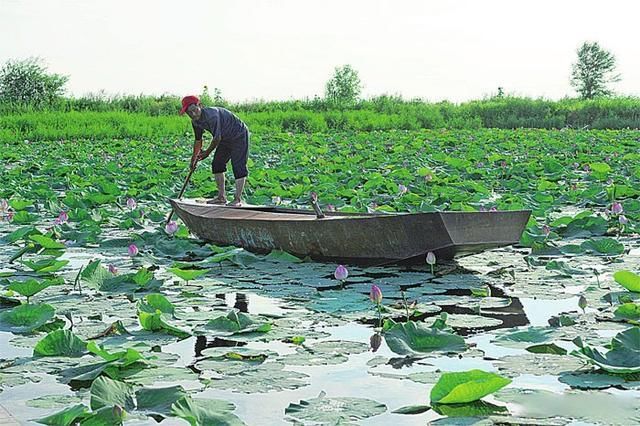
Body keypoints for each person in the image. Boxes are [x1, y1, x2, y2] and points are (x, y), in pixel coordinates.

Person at [179, 95, 250, 207]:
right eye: (189, 113)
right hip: (225, 138)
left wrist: (206, 153)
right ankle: (221, 197)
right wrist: (193, 159)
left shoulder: (212, 115)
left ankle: (237, 200)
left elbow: (217, 138)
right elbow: (198, 141)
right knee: (217, 164)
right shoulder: (195, 122)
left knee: (238, 166)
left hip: (238, 135)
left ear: (200, 106)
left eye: (194, 110)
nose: (193, 114)